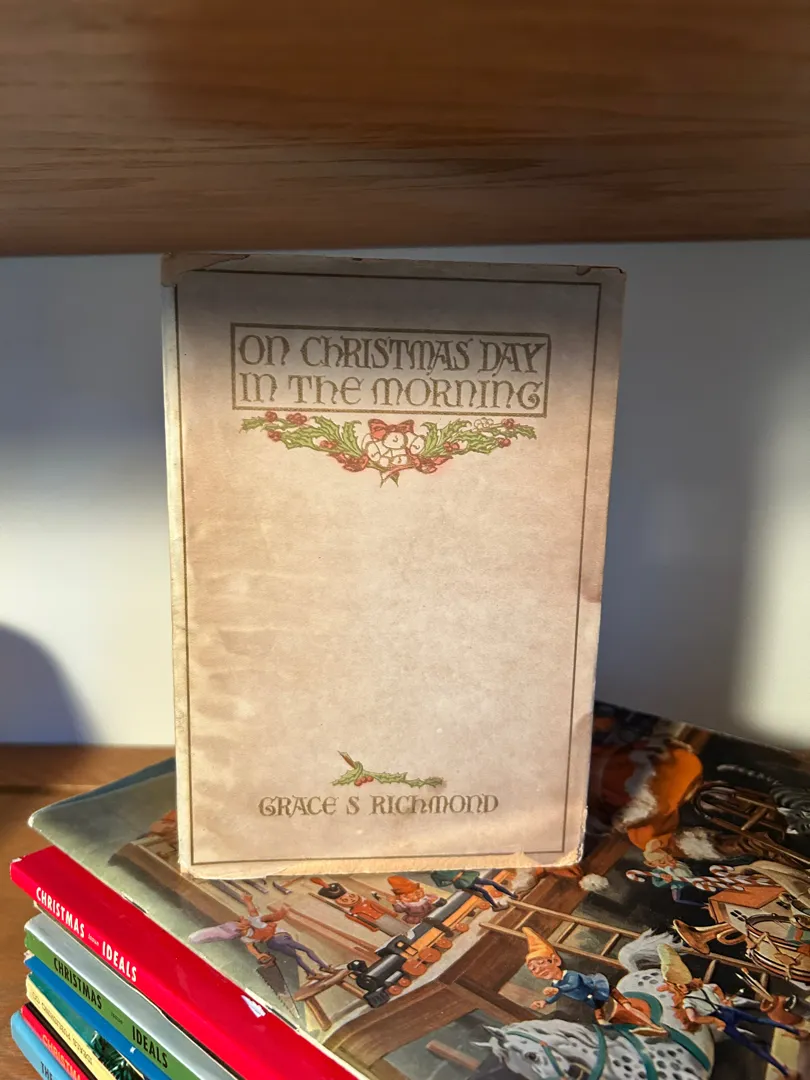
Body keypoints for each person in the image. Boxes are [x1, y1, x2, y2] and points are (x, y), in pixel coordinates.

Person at [658, 945, 804, 1078]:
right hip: (727, 1010)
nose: (682, 987)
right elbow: (715, 987)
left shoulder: (688, 1001)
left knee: (752, 1045)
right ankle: (797, 1032)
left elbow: (693, 1018)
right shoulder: (702, 987)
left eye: (680, 985)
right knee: (759, 1020)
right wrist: (723, 1001)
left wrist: (714, 1019)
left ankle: (785, 1071)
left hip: (722, 1018)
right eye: (679, 986)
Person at [523, 928, 666, 1035]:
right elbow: (557, 996)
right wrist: (545, 1002)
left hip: (603, 991)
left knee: (628, 1008)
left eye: (541, 963)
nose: (538, 969)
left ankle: (654, 1026)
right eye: (533, 969)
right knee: (602, 1023)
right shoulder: (556, 985)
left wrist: (559, 990)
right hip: (594, 1002)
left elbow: (574, 983)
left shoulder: (570, 975)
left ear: (555, 960)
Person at [189, 895, 337, 980]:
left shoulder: (248, 934)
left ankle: (311, 973)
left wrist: (248, 901)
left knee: (297, 957)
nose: (242, 918)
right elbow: (260, 915)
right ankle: (323, 967)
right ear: (241, 928)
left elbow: (256, 913)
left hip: (275, 942)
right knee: (307, 950)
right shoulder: (252, 927)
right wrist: (282, 912)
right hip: (279, 939)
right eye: (240, 922)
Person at [311, 879, 407, 935]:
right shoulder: (350, 914)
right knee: (393, 932)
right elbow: (360, 921)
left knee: (400, 926)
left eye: (351, 896)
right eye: (345, 900)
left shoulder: (367, 902)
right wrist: (371, 927)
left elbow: (379, 907)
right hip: (376, 923)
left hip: (384, 916)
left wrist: (391, 913)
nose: (351, 900)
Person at [429, 870, 516, 910]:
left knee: (492, 883)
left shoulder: (445, 864)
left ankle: (511, 895)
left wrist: (462, 872)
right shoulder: (434, 875)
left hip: (467, 877)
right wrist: (452, 880)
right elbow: (440, 884)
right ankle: (496, 906)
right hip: (462, 882)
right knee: (483, 891)